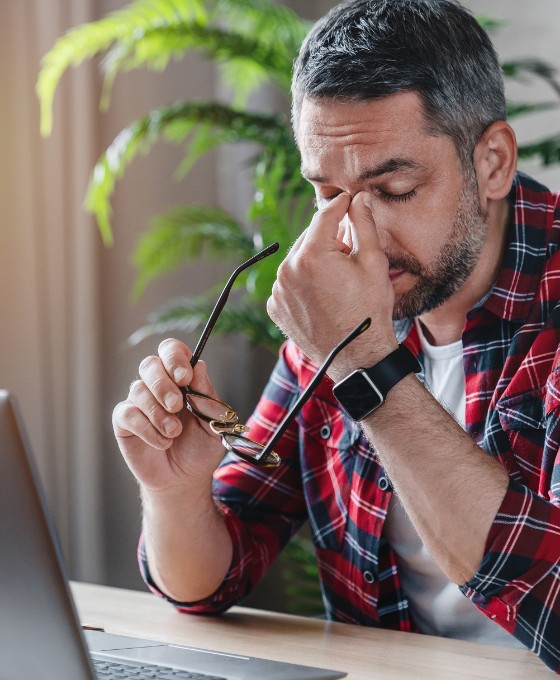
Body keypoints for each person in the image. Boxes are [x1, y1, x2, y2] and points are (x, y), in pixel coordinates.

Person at [112, 0, 560, 672]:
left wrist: (367, 366)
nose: (359, 238)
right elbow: (211, 579)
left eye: (396, 187)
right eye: (327, 194)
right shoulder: (339, 293)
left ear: (492, 162)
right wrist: (176, 493)